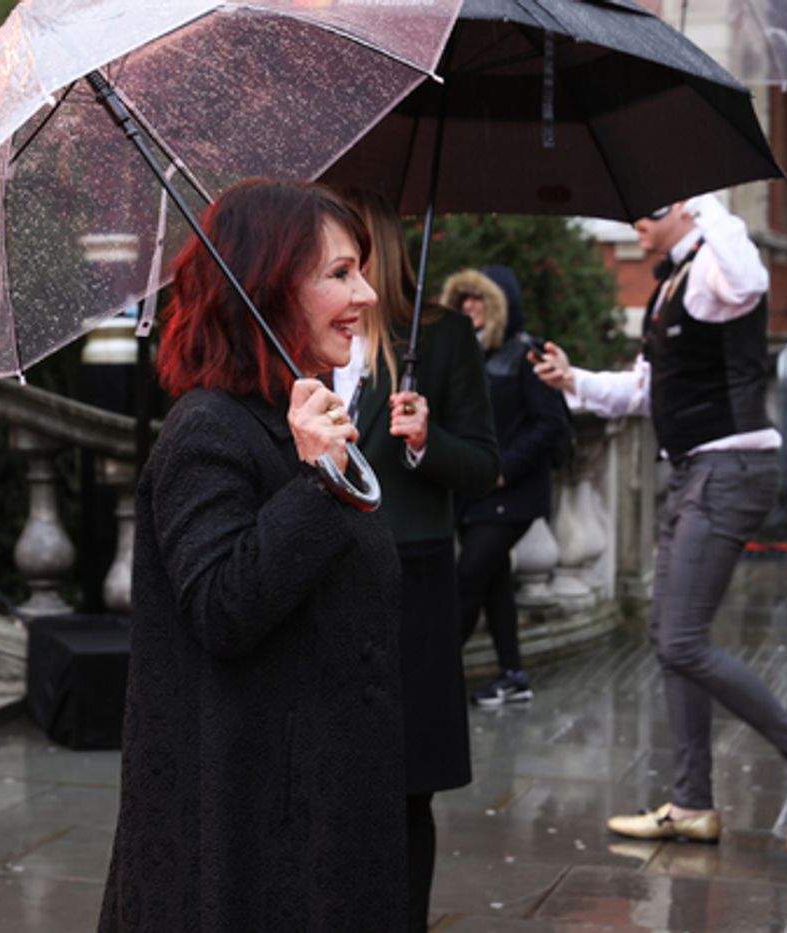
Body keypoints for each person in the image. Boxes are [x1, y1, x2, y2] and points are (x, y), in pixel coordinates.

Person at [99, 180, 407, 931]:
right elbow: (223, 606)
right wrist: (318, 481)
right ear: (268, 288)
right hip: (254, 841)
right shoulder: (205, 431)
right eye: (339, 273)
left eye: (358, 268)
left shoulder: (299, 418)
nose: (366, 292)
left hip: (328, 813)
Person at [534, 193, 787, 852]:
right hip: (696, 471)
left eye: (647, 213)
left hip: (729, 468)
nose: (635, 226)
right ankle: (690, 804)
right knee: (669, 634)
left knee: (681, 638)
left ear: (682, 208)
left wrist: (707, 203)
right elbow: (644, 392)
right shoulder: (670, 289)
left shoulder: (717, 264)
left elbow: (748, 278)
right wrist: (574, 380)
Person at [332, 188, 498, 931]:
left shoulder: (439, 338)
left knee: (404, 786)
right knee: (329, 779)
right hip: (323, 579)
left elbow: (484, 465)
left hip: (411, 580)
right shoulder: (300, 339)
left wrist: (426, 441)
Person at [443, 265, 570, 707]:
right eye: (464, 300)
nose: (471, 308)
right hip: (472, 492)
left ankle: (432, 674)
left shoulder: (526, 354)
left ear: (502, 305)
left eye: (480, 300)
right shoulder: (467, 354)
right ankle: (513, 675)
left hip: (510, 495)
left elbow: (552, 424)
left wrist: (503, 468)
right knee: (493, 582)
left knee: (469, 576)